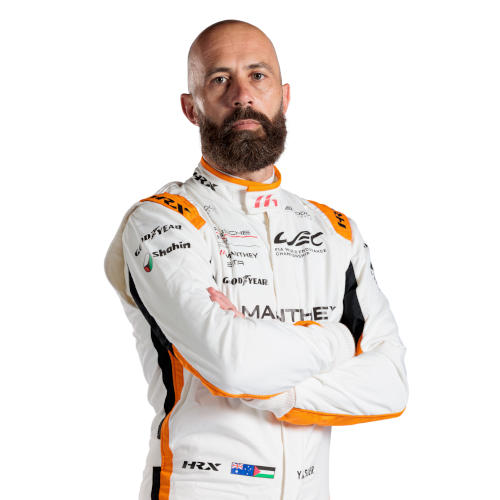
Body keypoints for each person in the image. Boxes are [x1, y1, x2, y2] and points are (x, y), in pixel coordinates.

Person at [103, 19, 409, 500]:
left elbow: (391, 385)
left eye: (258, 75)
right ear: (190, 108)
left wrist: (271, 386)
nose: (242, 95)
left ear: (285, 97)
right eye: (219, 79)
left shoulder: (336, 230)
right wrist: (337, 341)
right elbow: (233, 364)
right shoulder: (161, 219)